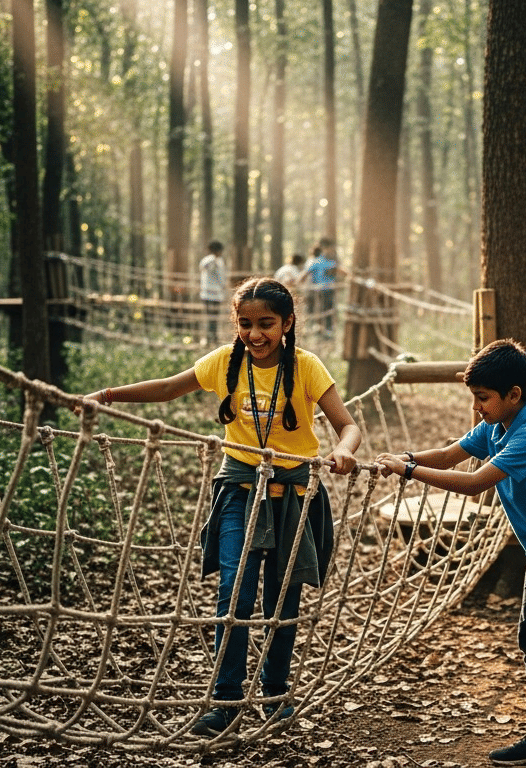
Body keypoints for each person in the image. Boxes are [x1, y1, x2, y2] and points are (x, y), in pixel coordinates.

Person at [82, 276, 362, 737]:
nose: (255, 334)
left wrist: (345, 450)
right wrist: (108, 395)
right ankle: (226, 701)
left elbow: (346, 425)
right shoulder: (225, 363)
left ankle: (275, 692)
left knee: (282, 595)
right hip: (239, 491)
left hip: (293, 494)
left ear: (287, 323)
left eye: (267, 324)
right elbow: (168, 387)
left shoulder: (307, 367)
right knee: (234, 591)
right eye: (246, 323)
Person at [374, 340, 526, 768]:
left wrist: (409, 472)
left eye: (483, 398)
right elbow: (450, 456)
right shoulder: (496, 428)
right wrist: (405, 458)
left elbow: (474, 482)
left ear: (514, 395)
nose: (477, 407)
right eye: (475, 397)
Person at [302, 237, 339, 337]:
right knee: (320, 311)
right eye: (329, 248)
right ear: (324, 248)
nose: (331, 250)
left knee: (329, 311)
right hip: (319, 291)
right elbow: (304, 274)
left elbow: (340, 271)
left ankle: (328, 332)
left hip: (330, 291)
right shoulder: (316, 262)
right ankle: (318, 331)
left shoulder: (332, 262)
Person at [198, 240, 227, 344]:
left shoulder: (219, 261)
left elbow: (221, 277)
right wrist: (212, 258)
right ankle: (209, 337)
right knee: (209, 317)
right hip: (208, 294)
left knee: (214, 317)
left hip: (216, 295)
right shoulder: (209, 260)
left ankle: (213, 337)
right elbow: (203, 267)